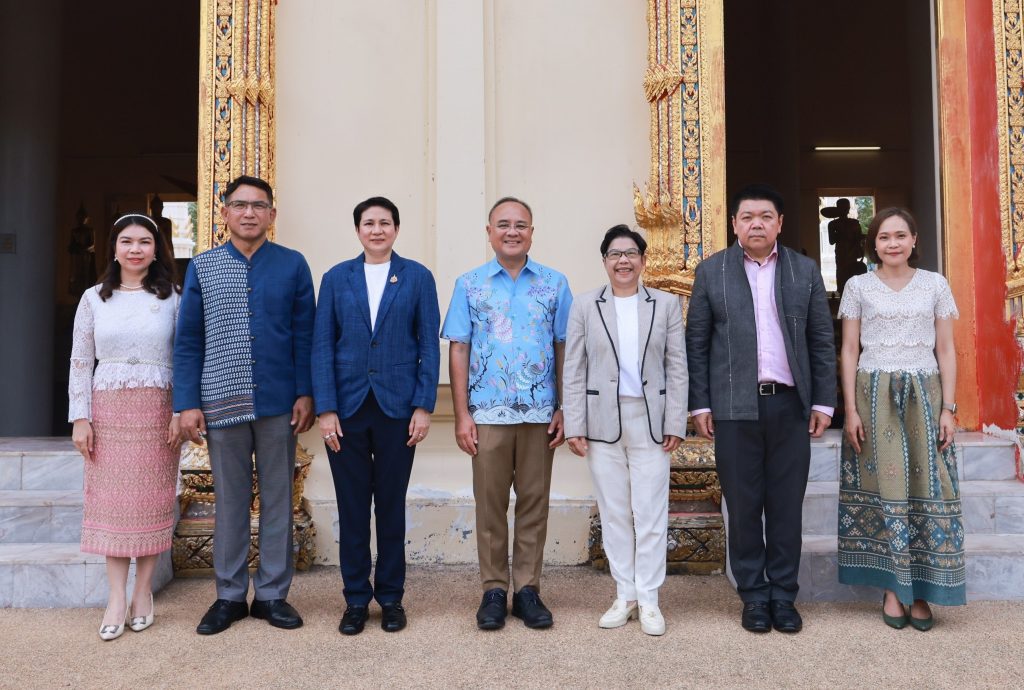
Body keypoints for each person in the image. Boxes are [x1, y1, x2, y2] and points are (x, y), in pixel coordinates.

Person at [686, 183, 836, 634]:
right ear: (734, 223)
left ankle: (783, 595)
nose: (757, 224)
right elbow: (697, 344)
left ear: (780, 224)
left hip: (790, 406)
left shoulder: (804, 271)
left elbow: (821, 340)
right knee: (744, 505)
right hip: (733, 408)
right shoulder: (712, 272)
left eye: (766, 216)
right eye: (748, 217)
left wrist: (823, 402)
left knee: (786, 506)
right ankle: (753, 595)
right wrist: (700, 404)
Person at [174, 175, 316, 635]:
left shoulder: (292, 265)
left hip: (279, 402)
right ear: (224, 213)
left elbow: (305, 336)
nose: (249, 213)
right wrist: (187, 403)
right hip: (221, 400)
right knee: (231, 500)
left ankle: (273, 594)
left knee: (278, 500)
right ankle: (230, 596)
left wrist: (306, 393)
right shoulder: (203, 266)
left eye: (258, 205)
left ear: (272, 214)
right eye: (240, 205)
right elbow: (188, 339)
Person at [441, 196, 573, 630]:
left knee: (534, 503)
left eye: (520, 225)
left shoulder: (554, 284)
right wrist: (462, 414)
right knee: (490, 505)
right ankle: (494, 590)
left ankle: (528, 590)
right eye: (503, 224)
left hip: (540, 415)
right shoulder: (470, 284)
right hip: (487, 415)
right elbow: (458, 348)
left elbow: (564, 347)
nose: (512, 232)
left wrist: (564, 407)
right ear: (489, 232)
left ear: (532, 232)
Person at [312, 196, 440, 635]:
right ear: (358, 230)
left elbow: (428, 345)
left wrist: (423, 405)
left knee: (390, 507)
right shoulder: (336, 278)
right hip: (346, 410)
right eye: (369, 223)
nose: (377, 230)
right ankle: (354, 600)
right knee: (351, 509)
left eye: (385, 223)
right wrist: (326, 409)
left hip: (397, 410)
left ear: (396, 229)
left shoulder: (417, 277)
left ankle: (390, 598)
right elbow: (322, 346)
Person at [837, 207, 964, 630]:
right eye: (884, 237)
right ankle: (894, 587)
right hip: (873, 396)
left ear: (913, 240)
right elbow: (849, 350)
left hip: (924, 395)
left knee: (929, 488)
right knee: (885, 488)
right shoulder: (858, 286)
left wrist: (948, 408)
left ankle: (922, 588)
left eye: (900, 236)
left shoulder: (935, 284)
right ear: (873, 244)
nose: (892, 243)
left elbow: (945, 349)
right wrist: (850, 410)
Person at [562, 225, 687, 636]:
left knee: (650, 513)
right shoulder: (585, 305)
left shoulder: (665, 305)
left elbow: (677, 366)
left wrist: (675, 421)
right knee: (615, 513)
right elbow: (574, 368)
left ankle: (649, 599)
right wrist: (575, 423)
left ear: (643, 260)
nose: (623, 261)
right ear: (604, 261)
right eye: (615, 254)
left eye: (631, 253)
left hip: (651, 422)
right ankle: (625, 594)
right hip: (602, 422)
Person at [69, 213, 182, 640]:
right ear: (113, 249)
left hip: (158, 410)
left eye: (144, 242)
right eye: (127, 242)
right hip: (108, 411)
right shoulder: (93, 298)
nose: (136, 249)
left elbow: (185, 356)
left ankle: (142, 591)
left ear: (156, 250)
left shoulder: (173, 297)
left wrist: (180, 411)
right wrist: (80, 417)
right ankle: (116, 597)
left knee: (151, 502)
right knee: (112, 506)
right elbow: (81, 361)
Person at [824, 197, 866, 294]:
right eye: (844, 207)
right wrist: (841, 234)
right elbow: (831, 241)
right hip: (841, 253)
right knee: (842, 275)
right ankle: (842, 294)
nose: (846, 209)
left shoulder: (854, 223)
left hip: (852, 253)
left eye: (847, 207)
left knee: (852, 275)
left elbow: (859, 238)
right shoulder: (833, 224)